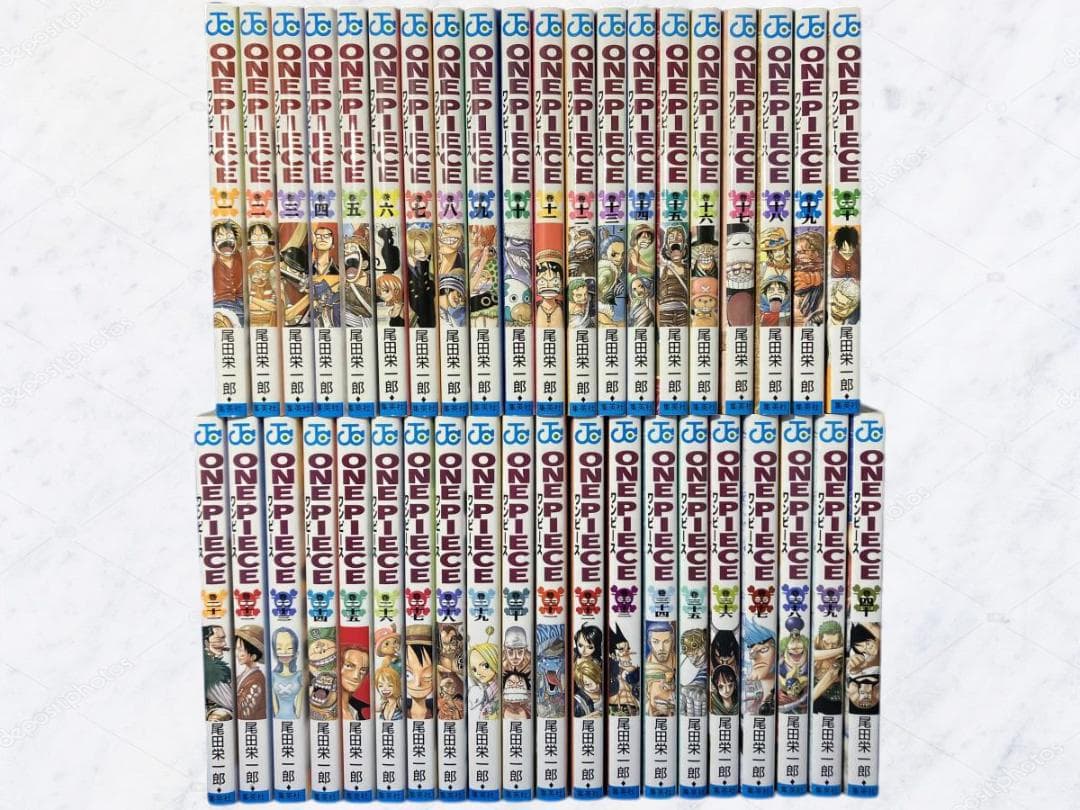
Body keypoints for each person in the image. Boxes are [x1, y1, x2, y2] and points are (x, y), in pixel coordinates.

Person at [234, 625, 267, 720]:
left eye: (240, 650)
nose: (237, 654)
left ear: (253, 656)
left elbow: (246, 713)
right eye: (237, 649)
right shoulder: (242, 676)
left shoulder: (257, 680)